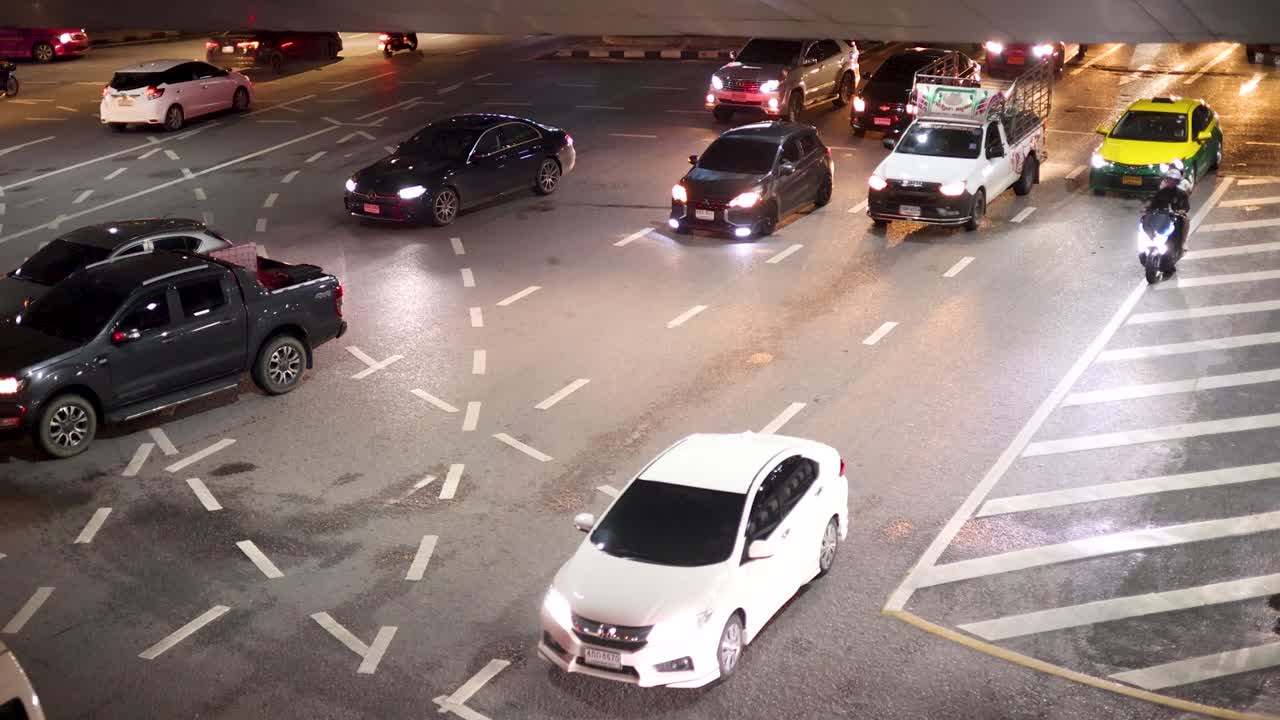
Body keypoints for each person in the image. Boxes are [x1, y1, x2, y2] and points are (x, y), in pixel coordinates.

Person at [1144, 164, 1192, 258]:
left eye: (1174, 180)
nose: (1171, 182)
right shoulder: (1161, 192)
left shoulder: (1181, 194)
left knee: (1186, 220)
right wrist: (1147, 209)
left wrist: (1181, 211)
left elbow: (1186, 207)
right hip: (1162, 216)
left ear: (1177, 181)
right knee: (1145, 218)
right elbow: (1153, 204)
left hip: (1175, 216)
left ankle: (1183, 242)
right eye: (1170, 179)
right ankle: (1150, 237)